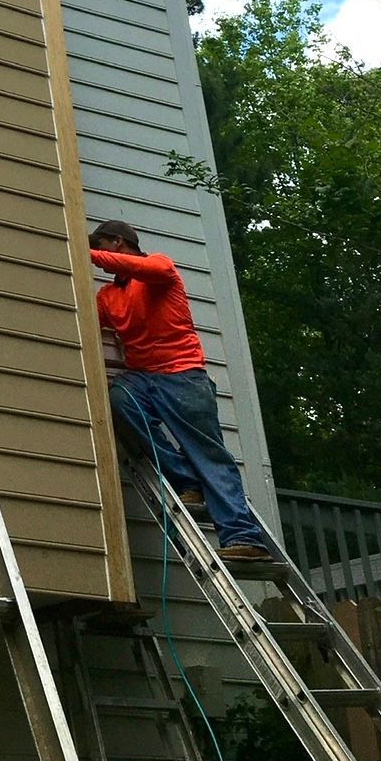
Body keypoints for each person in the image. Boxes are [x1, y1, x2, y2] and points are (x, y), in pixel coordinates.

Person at [89, 217, 271, 562]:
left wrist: (86, 254)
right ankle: (186, 481)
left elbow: (142, 268)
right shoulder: (108, 296)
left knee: (209, 455)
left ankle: (244, 537)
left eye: (99, 247)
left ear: (116, 243)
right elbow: (84, 318)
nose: (97, 255)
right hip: (143, 377)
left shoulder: (160, 267)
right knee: (119, 399)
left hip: (184, 374)